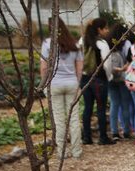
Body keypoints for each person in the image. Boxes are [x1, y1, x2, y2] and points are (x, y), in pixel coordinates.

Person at [39, 18, 83, 159]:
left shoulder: (47, 44)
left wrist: (44, 84)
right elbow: (79, 67)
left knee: (59, 120)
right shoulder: (74, 44)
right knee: (74, 119)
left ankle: (62, 152)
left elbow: (44, 67)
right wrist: (78, 84)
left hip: (54, 84)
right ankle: (77, 152)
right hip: (72, 84)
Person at [81, 17, 114, 145]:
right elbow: (107, 64)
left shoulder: (82, 41)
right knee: (101, 108)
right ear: (99, 29)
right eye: (105, 28)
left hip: (84, 78)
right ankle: (103, 137)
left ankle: (87, 137)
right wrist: (109, 77)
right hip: (99, 79)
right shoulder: (102, 44)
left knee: (87, 108)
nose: (107, 30)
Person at [107, 23, 134, 140]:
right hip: (123, 77)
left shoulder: (107, 42)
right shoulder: (126, 44)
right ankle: (126, 130)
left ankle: (114, 132)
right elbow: (130, 59)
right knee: (125, 105)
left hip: (111, 77)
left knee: (114, 104)